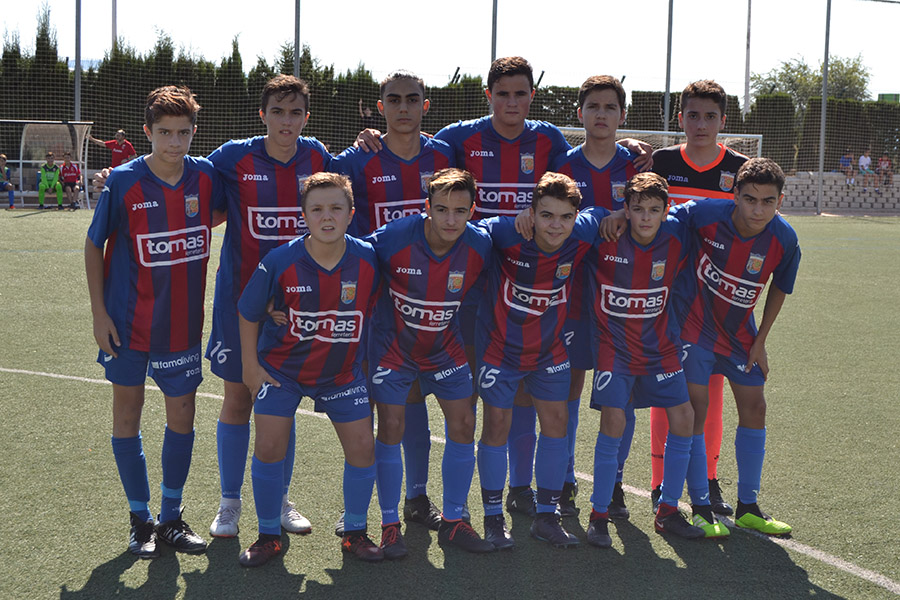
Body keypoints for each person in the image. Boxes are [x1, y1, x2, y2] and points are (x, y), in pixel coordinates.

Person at [84, 85, 225, 559]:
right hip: (127, 324)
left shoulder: (205, 177)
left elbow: (225, 211)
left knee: (182, 416)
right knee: (128, 414)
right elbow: (93, 244)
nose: (174, 142)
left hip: (182, 325)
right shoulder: (124, 181)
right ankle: (139, 519)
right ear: (147, 132)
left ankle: (171, 517)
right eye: (164, 132)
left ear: (193, 132)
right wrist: (99, 312)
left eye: (183, 133)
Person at [205, 74, 330, 540]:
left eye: (295, 112)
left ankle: (277, 499)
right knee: (237, 399)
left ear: (306, 118)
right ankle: (229, 502)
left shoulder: (317, 156)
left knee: (281, 401)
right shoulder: (234, 156)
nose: (286, 121)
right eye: (277, 111)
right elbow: (185, 173)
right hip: (240, 303)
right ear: (262, 115)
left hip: (297, 307)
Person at [235, 172, 382, 567]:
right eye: (317, 209)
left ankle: (354, 531)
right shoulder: (280, 261)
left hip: (342, 374)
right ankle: (268, 534)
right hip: (282, 370)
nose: (327, 217)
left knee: (363, 447)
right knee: (268, 446)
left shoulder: (369, 258)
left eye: (336, 208)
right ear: (303, 215)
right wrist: (250, 366)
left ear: (351, 214)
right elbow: (248, 312)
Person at [332, 71, 455, 534]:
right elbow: (321, 180)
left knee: (417, 399)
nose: (403, 107)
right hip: (377, 303)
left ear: (425, 105)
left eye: (412, 99)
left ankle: (417, 498)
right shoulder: (359, 158)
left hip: (433, 302)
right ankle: (367, 510)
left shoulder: (444, 154)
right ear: (380, 106)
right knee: (384, 404)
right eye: (393, 99)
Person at [583, 172, 722, 549]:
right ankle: (598, 514)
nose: (646, 217)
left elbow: (711, 206)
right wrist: (608, 214)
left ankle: (668, 510)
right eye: (638, 209)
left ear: (666, 211)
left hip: (660, 347)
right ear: (625, 208)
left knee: (685, 417)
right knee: (614, 420)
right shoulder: (604, 233)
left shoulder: (676, 233)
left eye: (654, 210)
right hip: (614, 348)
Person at [363, 168, 494, 555]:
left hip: (443, 347)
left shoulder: (481, 244)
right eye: (441, 210)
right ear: (427, 208)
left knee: (465, 421)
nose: (450, 219)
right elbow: (348, 256)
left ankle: (454, 520)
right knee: (390, 425)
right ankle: (389, 523)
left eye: (460, 210)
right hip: (394, 350)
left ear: (473, 210)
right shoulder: (394, 238)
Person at [671, 157, 799, 536]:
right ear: (734, 195)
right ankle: (700, 507)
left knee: (756, 406)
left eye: (768, 201)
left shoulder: (784, 238)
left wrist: (761, 341)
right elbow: (662, 221)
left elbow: (780, 287)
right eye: (749, 199)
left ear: (779, 201)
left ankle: (748, 506)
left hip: (742, 334)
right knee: (697, 410)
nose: (758, 209)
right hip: (693, 329)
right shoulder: (705, 214)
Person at [476, 172, 603, 549]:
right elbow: (473, 230)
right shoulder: (506, 233)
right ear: (531, 213)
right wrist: (509, 218)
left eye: (565, 217)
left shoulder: (582, 232)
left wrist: (609, 215)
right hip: (500, 348)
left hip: (549, 349)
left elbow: (603, 214)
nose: (556, 225)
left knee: (557, 422)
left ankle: (547, 516)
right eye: (546, 215)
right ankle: (493, 518)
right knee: (497, 424)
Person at [648, 80, 748, 517]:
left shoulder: (741, 169)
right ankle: (659, 481)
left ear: (723, 120)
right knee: (666, 389)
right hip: (668, 295)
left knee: (710, 391)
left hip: (718, 301)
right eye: (693, 115)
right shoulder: (663, 162)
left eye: (710, 116)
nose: (701, 123)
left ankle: (706, 477)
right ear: (680, 118)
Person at [550, 75, 639, 518]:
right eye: (593, 107)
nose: (601, 114)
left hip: (623, 297)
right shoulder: (561, 165)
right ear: (580, 113)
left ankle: (615, 481)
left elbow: (656, 212)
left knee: (619, 394)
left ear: (622, 116)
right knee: (567, 386)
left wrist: (624, 211)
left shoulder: (638, 167)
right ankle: (563, 478)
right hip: (570, 293)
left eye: (610, 107)